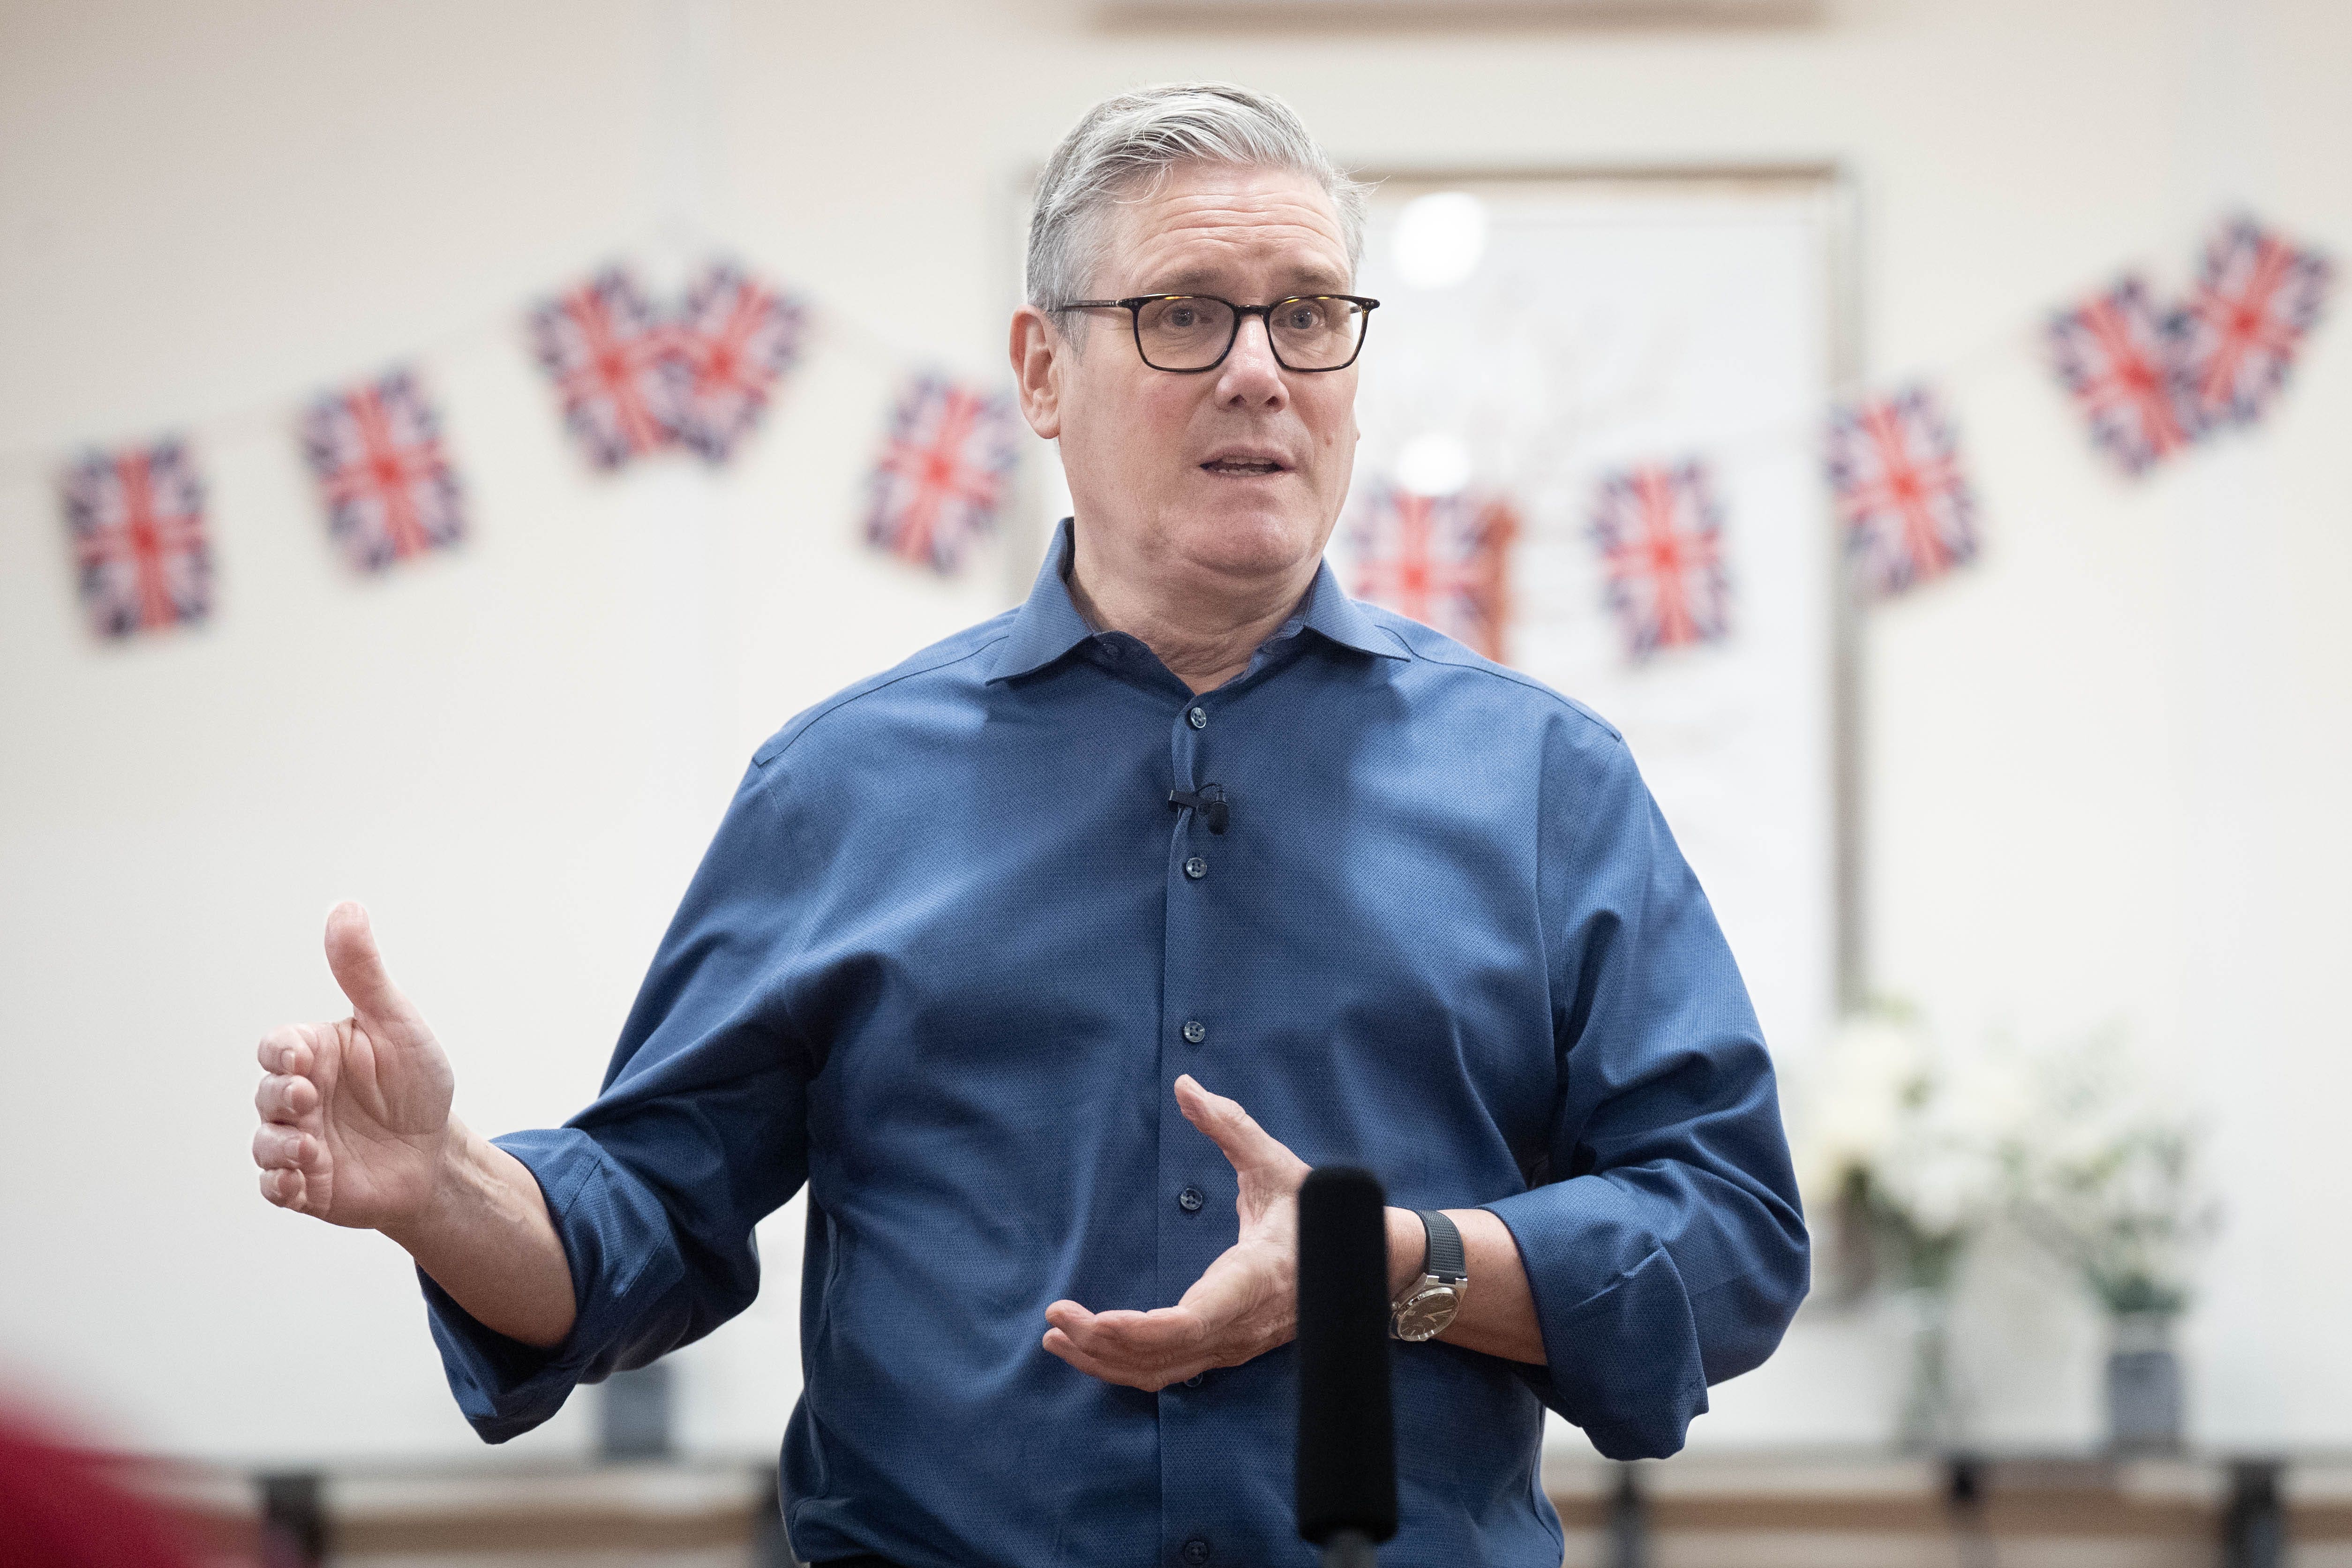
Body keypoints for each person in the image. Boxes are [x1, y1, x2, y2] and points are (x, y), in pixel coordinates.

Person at [250, 82, 1807, 1568]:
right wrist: (446, 1190)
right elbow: (649, 1216)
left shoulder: (1543, 784)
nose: (1258, 371)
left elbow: (1729, 1234)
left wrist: (1393, 1263)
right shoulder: (844, 787)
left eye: (1307, 314)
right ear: (1041, 369)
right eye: (1184, 312)